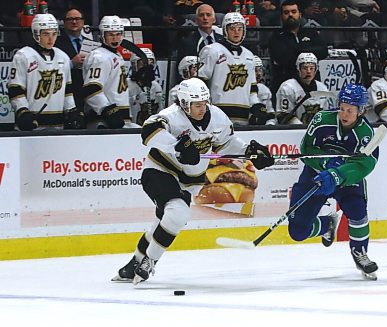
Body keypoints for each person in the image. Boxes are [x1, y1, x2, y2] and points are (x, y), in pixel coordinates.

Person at [112, 77, 275, 284]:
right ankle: (149, 261)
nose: (202, 109)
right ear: (183, 103)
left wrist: (249, 152)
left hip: (191, 181)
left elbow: (225, 143)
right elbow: (148, 132)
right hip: (160, 170)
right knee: (178, 212)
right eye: (196, 105)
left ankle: (133, 264)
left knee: (167, 222)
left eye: (204, 103)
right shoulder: (171, 116)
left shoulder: (216, 117)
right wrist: (177, 146)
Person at [287, 83, 379, 280]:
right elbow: (306, 150)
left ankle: (360, 253)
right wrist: (327, 163)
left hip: (346, 179)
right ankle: (326, 224)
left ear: (361, 111)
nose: (344, 114)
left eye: (350, 110)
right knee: (297, 231)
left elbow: (365, 164)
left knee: (357, 211)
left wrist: (338, 174)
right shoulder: (321, 120)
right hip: (315, 175)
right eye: (342, 108)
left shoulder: (365, 134)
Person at [8, 13, 84, 130]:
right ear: (36, 34)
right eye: (46, 34)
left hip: (58, 125)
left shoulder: (62, 56)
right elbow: (15, 89)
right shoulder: (23, 56)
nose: (50, 39)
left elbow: (67, 90)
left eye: (54, 34)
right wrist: (22, 111)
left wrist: (71, 110)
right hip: (32, 125)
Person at [197, 12, 260, 125]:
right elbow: (201, 83)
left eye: (240, 28)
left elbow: (252, 89)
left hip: (243, 116)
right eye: (232, 28)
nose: (236, 31)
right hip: (217, 115)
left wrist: (256, 106)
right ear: (225, 30)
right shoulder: (212, 51)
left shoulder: (249, 55)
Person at [268, 0, 328, 94]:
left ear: (300, 14)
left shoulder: (311, 32)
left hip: (312, 84)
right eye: (286, 12)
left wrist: (299, 50)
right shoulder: (276, 37)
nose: (290, 15)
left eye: (293, 12)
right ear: (281, 16)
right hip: (286, 87)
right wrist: (309, 52)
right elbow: (285, 59)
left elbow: (323, 51)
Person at [82, 15, 130, 129]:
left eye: (118, 34)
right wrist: (108, 111)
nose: (115, 38)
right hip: (102, 120)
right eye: (110, 35)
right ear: (103, 35)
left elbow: (116, 88)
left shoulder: (115, 55)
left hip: (118, 117)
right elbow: (91, 89)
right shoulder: (99, 57)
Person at [275, 52, 329, 125]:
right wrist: (301, 128)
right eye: (305, 68)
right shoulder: (287, 88)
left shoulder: (322, 88)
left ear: (316, 69)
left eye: (312, 68)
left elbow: (326, 113)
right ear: (298, 69)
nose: (309, 71)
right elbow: (283, 115)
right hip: (294, 132)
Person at [55, 7, 91, 112]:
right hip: (67, 90)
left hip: (87, 89)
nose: (74, 22)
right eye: (70, 19)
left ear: (83, 22)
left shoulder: (91, 43)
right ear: (64, 23)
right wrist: (71, 63)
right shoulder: (56, 43)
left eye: (77, 19)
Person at [128, 48, 165, 125]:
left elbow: (160, 111)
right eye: (142, 64)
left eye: (150, 64)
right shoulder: (127, 85)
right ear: (134, 65)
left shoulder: (155, 86)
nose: (147, 68)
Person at [251, 55, 277, 125]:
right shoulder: (240, 91)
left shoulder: (265, 90)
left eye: (260, 70)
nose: (259, 74)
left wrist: (269, 125)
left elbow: (271, 116)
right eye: (255, 70)